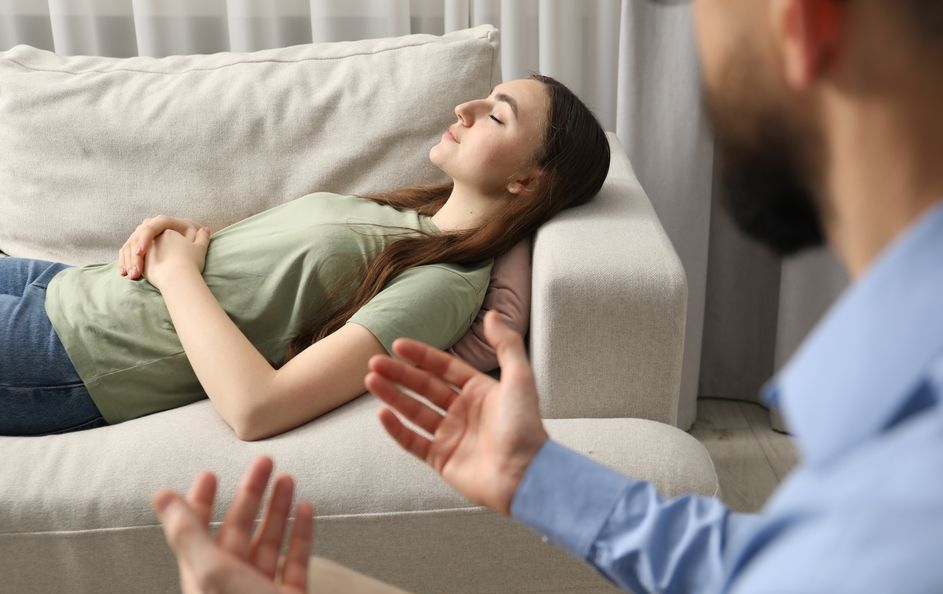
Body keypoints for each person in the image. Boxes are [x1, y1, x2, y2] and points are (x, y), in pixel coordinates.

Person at [153, 0, 943, 594]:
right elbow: (796, 582)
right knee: (295, 593)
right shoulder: (937, 391)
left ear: (805, 26)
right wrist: (543, 478)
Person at [0, 74, 610, 439]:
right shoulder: (409, 219)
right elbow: (267, 280)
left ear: (525, 183)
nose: (465, 110)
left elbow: (257, 409)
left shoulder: (443, 287)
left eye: (495, 116)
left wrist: (178, 273)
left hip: (71, 354)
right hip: (65, 284)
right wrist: (190, 239)